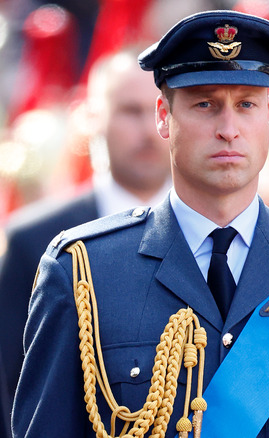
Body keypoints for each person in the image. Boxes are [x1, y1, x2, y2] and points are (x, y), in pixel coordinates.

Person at [12, 10, 269, 438]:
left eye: (246, 104)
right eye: (205, 104)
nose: (228, 129)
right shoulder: (84, 273)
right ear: (163, 116)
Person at [0, 47, 171, 436]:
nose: (148, 130)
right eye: (129, 111)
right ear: (92, 118)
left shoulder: (216, 232)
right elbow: (12, 380)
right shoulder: (33, 241)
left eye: (159, 110)